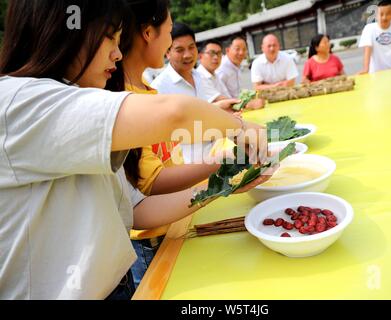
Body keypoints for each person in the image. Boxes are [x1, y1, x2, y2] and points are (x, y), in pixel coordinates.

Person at [0, 0, 269, 300]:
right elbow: (174, 115)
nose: (117, 53)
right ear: (65, 29)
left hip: (119, 286)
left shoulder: (78, 104)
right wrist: (238, 128)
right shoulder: (16, 102)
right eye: (109, 37)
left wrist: (225, 184)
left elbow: (138, 209)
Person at [105, 0, 229, 288]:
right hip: (151, 237)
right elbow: (153, 183)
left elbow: (170, 150)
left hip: (173, 218)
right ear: (149, 33)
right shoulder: (128, 101)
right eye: (170, 32)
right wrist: (222, 170)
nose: (173, 43)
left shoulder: (147, 92)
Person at [152, 23, 230, 104]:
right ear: (167, 53)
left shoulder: (200, 77)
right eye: (180, 50)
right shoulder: (158, 88)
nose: (188, 55)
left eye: (191, 47)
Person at [216, 35, 265, 109]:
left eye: (244, 49)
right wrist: (247, 105)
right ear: (228, 50)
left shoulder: (236, 65)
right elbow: (220, 100)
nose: (241, 53)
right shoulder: (221, 69)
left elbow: (237, 93)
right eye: (237, 49)